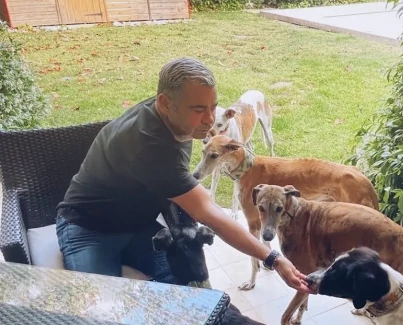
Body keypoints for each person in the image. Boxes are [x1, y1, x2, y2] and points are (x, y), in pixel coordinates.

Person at [55, 57, 311, 293]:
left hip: (138, 226)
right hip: (88, 228)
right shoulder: (150, 147)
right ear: (165, 103)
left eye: (213, 106)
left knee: (193, 292)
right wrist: (274, 259)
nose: (210, 120)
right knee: (100, 310)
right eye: (199, 109)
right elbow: (212, 215)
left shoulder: (176, 117)